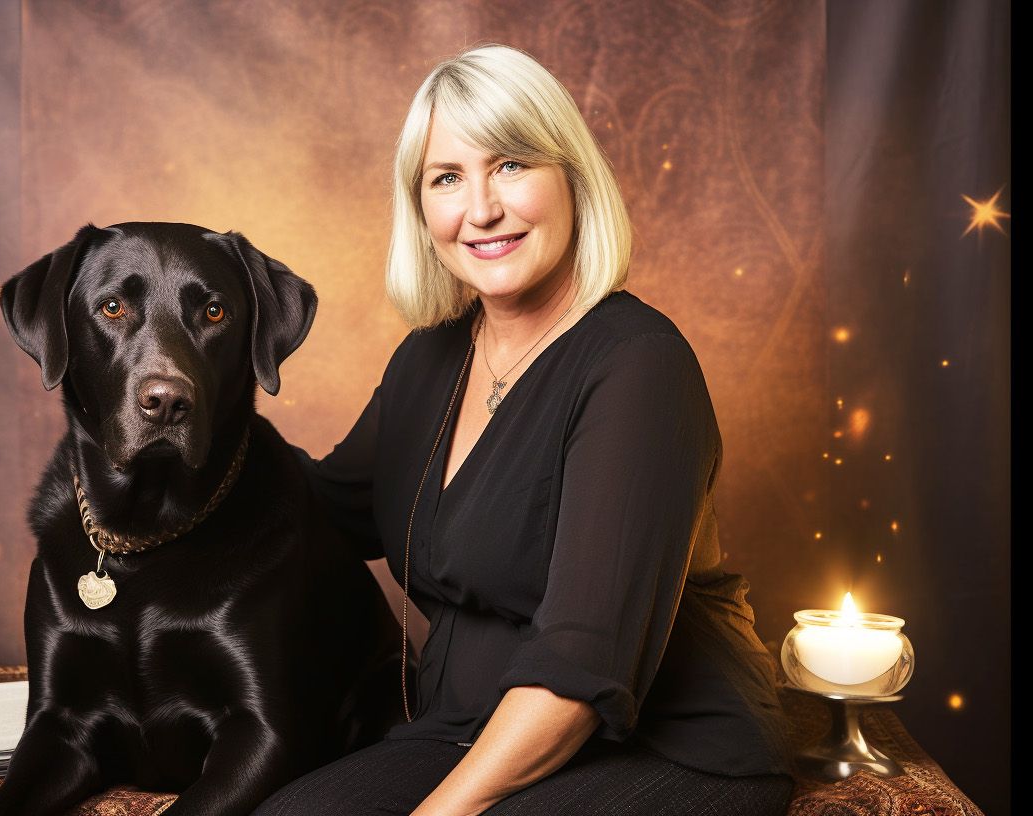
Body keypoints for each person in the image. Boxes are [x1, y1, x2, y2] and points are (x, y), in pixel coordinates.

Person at [251, 43, 796, 816]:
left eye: (510, 165)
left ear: (571, 175)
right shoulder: (429, 360)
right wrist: (180, 426)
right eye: (447, 178)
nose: (481, 210)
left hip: (669, 749)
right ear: (421, 208)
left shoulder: (640, 365)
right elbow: (319, 508)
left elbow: (580, 669)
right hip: (465, 729)